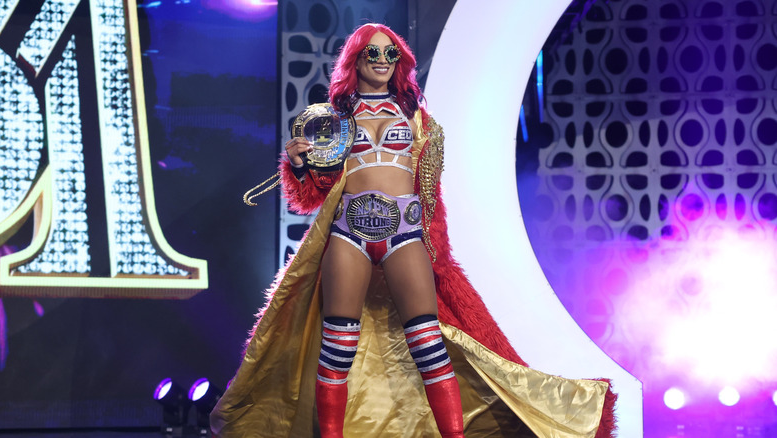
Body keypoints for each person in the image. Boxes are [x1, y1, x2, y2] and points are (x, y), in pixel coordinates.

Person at [211, 23, 616, 438]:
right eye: (374, 54)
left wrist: (436, 245)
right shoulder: (334, 121)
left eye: (391, 54)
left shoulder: (417, 118)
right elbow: (316, 194)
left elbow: (431, 194)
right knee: (336, 351)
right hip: (348, 233)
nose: (383, 62)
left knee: (430, 347)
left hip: (404, 231)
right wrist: (298, 166)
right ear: (355, 60)